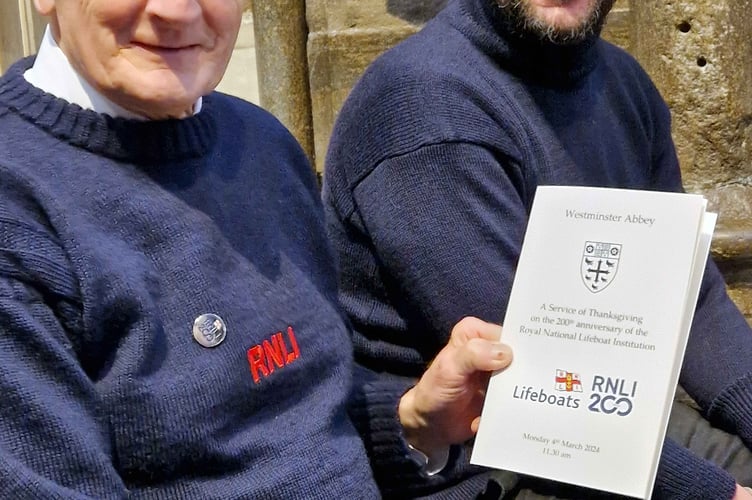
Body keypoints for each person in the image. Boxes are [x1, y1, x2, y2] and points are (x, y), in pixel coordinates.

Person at [0, 1, 515, 498]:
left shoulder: (261, 142)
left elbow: (304, 403)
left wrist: (414, 420)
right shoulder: (17, 211)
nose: (176, 12)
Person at [322, 0, 752, 498]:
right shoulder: (423, 106)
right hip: (481, 468)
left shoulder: (624, 84)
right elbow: (536, 388)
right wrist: (722, 494)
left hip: (615, 408)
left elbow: (690, 300)